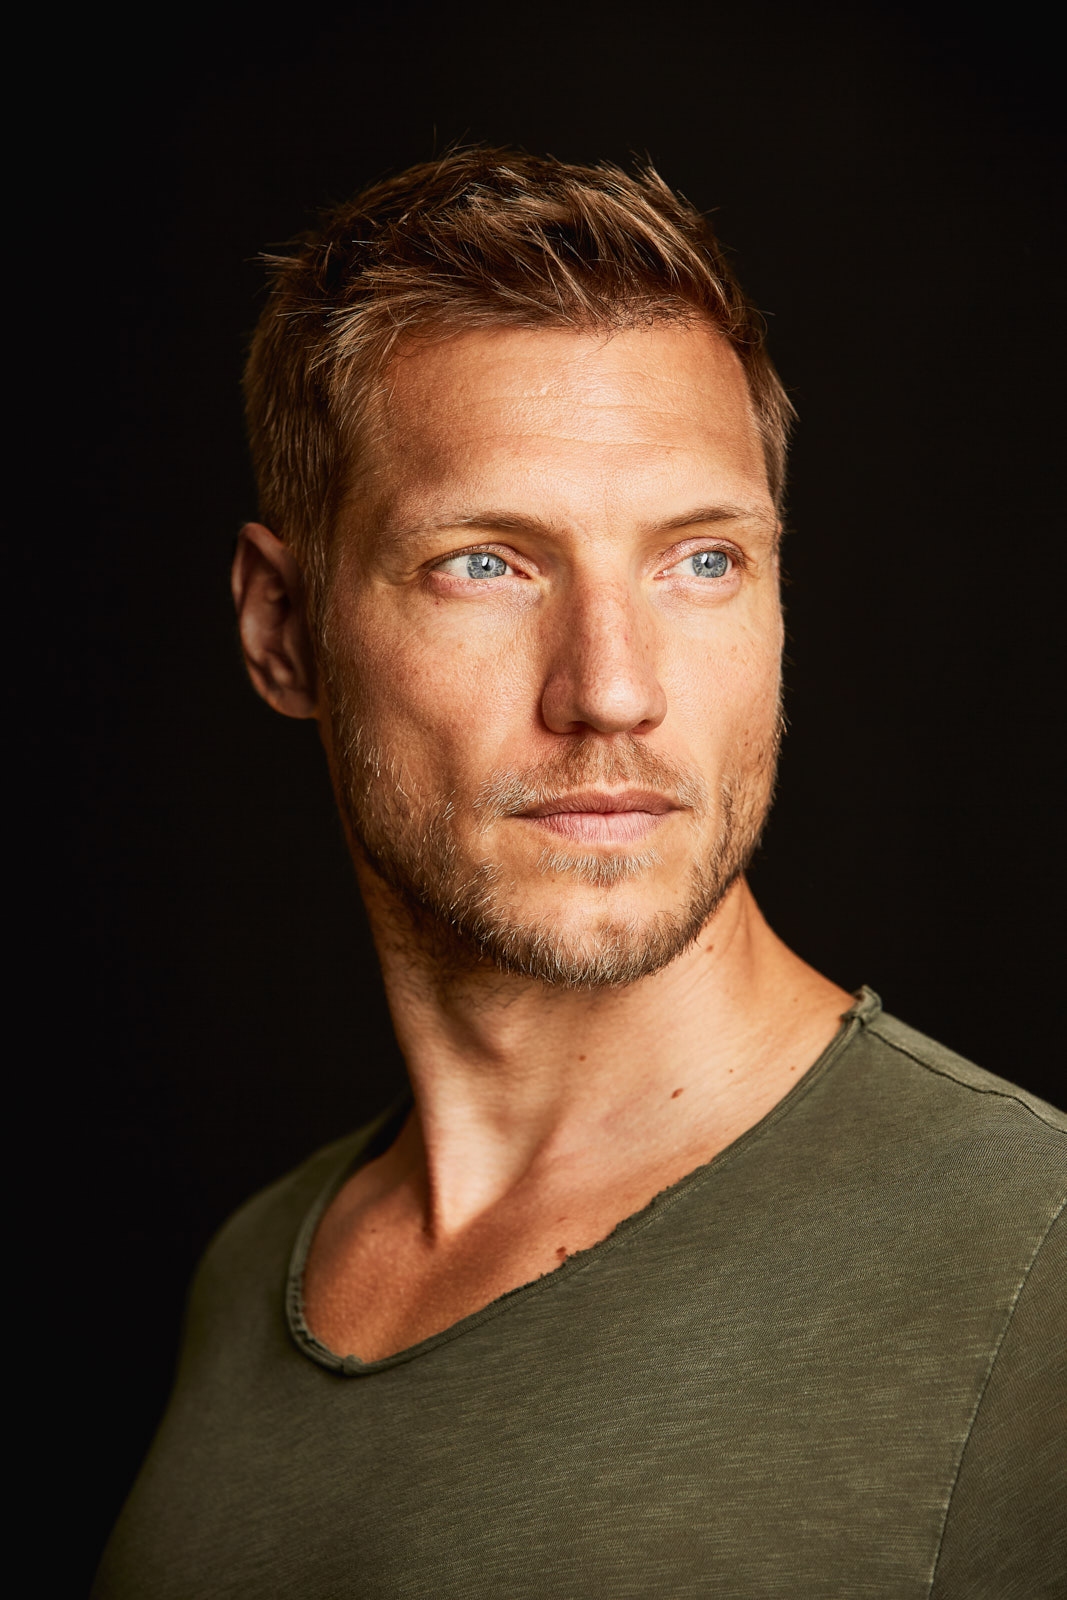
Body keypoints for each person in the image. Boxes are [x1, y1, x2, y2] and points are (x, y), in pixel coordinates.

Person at [93, 148, 1065, 1598]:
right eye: (487, 563)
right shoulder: (252, 1272)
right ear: (283, 629)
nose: (612, 691)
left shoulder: (1034, 1264)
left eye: (702, 561)